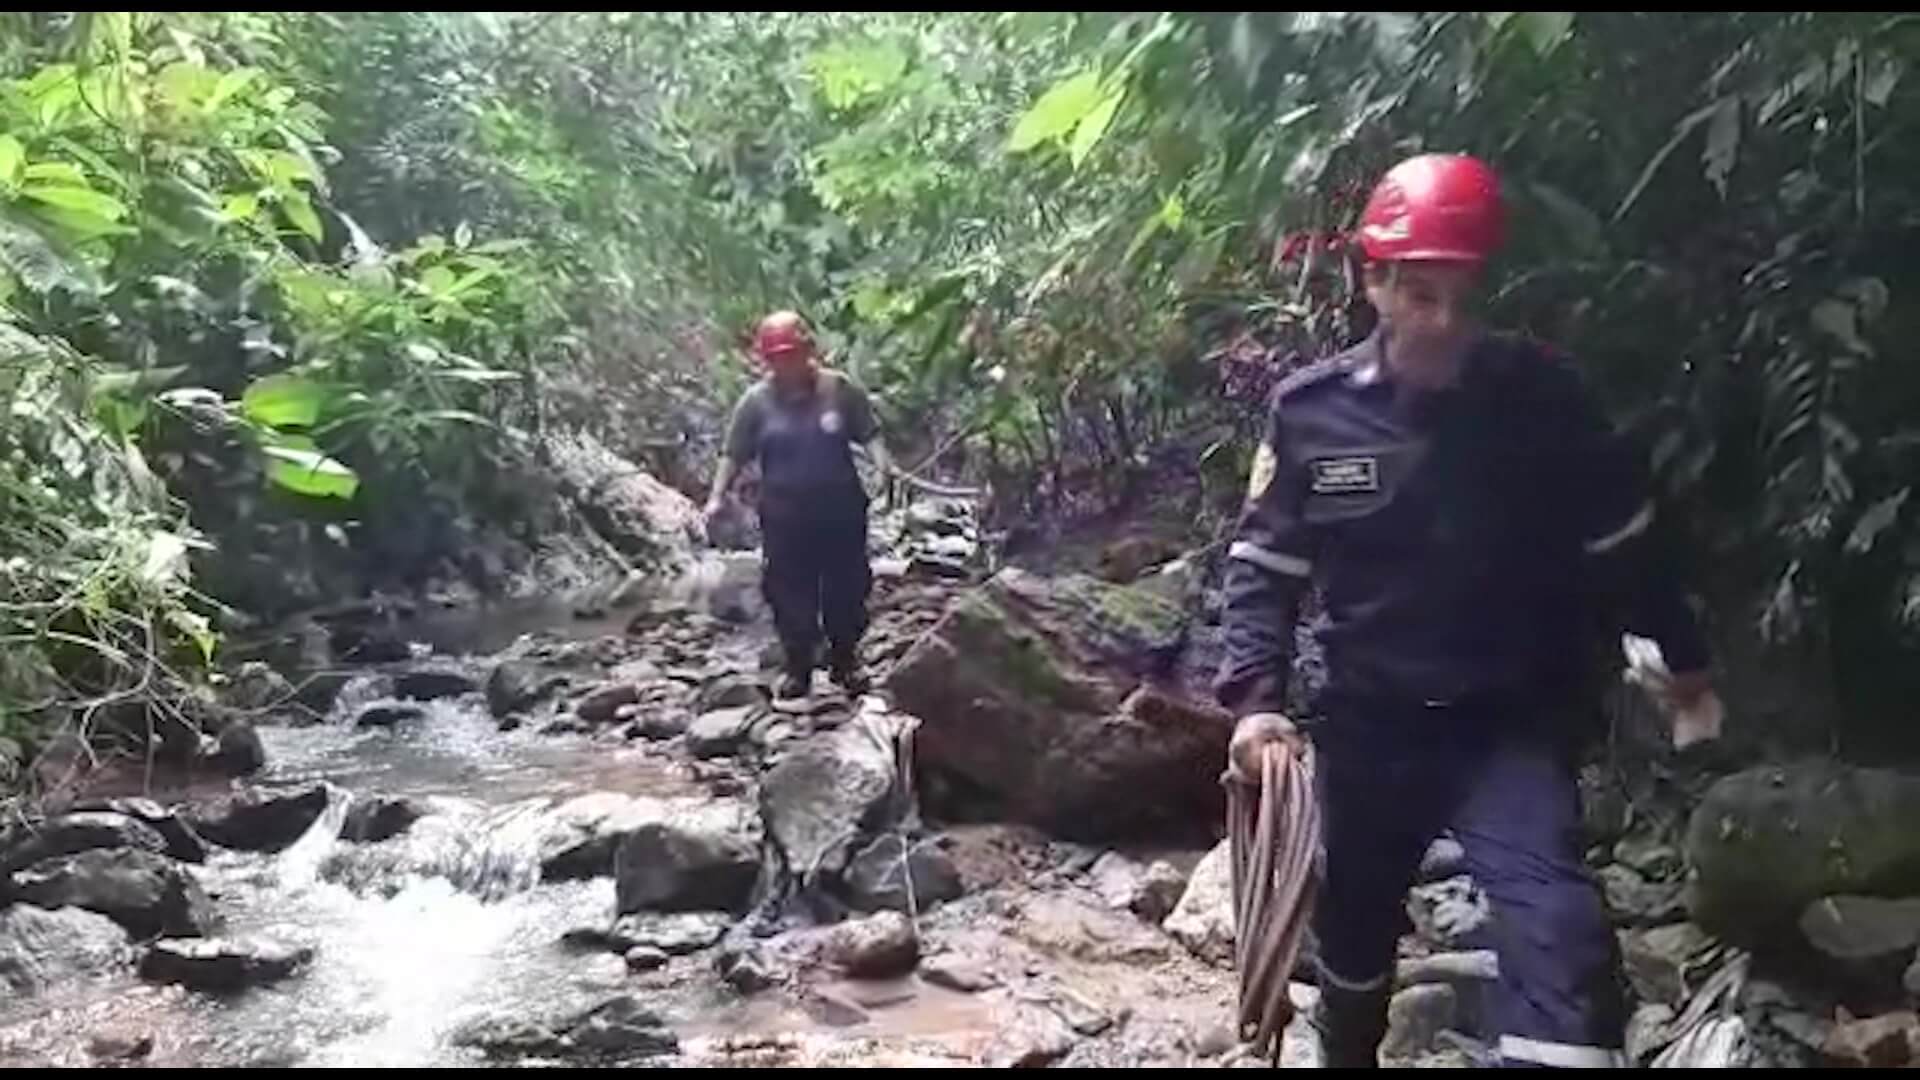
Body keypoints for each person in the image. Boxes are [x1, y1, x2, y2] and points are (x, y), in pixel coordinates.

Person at [1214, 153, 1723, 1068]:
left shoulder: (1544, 398)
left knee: (1559, 933)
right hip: (1368, 724)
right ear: (1373, 280)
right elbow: (1264, 566)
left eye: (1462, 296)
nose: (1443, 322)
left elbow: (1626, 546)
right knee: (1355, 938)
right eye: (1420, 295)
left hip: (1508, 723)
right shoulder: (1312, 413)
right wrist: (1254, 699)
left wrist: (1683, 661)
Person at [704, 311, 890, 701]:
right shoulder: (755, 403)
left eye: (791, 354)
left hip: (840, 512)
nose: (785, 364)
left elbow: (869, 432)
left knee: (847, 589)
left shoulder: (840, 390)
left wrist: (882, 465)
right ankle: (798, 669)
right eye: (777, 358)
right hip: (785, 517)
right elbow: (733, 452)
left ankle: (845, 661)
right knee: (789, 594)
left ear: (808, 350)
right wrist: (717, 497)